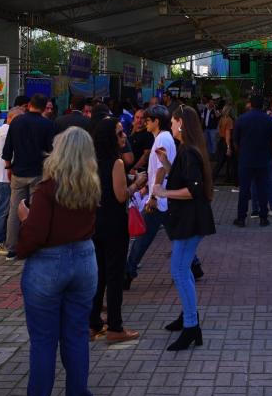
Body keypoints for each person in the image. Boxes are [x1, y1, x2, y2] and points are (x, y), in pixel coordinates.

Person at [14, 127, 99, 396]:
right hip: (85, 260)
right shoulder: (92, 186)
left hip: (49, 263)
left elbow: (35, 234)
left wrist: (24, 220)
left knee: (43, 342)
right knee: (76, 336)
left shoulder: (48, 189)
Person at [151, 106, 216, 351]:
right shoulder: (188, 149)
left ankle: (191, 325)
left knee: (179, 271)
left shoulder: (188, 151)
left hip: (190, 220)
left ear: (181, 123)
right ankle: (189, 319)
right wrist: (166, 163)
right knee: (183, 269)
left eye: (173, 121)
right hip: (190, 219)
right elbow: (185, 180)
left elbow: (192, 190)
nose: (170, 125)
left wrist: (163, 192)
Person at [125, 106, 203, 286]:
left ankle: (128, 272)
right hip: (164, 198)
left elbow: (162, 169)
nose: (144, 123)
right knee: (175, 233)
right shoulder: (162, 138)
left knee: (144, 236)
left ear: (156, 121)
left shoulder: (163, 138)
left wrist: (153, 195)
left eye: (147, 120)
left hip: (161, 198)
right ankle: (195, 265)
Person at [89, 118, 139, 344]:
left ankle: (93, 322)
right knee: (114, 275)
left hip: (95, 222)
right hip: (114, 223)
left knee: (98, 273)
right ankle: (115, 326)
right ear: (110, 138)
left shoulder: (91, 161)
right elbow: (121, 195)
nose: (125, 136)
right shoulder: (116, 162)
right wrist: (137, 184)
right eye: (120, 133)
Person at [1, 94, 58, 259]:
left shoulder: (16, 121)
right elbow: (51, 150)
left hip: (18, 171)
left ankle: (12, 248)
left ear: (29, 105)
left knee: (14, 210)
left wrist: (8, 167)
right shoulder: (47, 124)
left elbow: (8, 148)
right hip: (38, 173)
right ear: (43, 107)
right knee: (36, 210)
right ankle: (33, 244)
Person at [234, 95, 272, 226]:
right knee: (262, 188)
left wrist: (241, 154)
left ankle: (241, 218)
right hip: (264, 159)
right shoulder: (268, 119)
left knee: (244, 189)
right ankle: (263, 217)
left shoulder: (241, 119)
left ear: (250, 104)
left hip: (246, 159)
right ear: (263, 105)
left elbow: (236, 141)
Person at [0, 107, 23, 248]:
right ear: (10, 118)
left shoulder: (6, 129)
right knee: (2, 209)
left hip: (4, 175)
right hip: (3, 176)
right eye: (19, 118)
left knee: (4, 209)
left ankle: (1, 239)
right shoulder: (6, 129)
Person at [216, 104, 236, 183]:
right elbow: (228, 134)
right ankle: (232, 179)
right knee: (230, 162)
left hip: (221, 141)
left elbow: (219, 131)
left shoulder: (221, 119)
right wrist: (228, 147)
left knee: (222, 162)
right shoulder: (229, 120)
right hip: (226, 141)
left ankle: (227, 178)